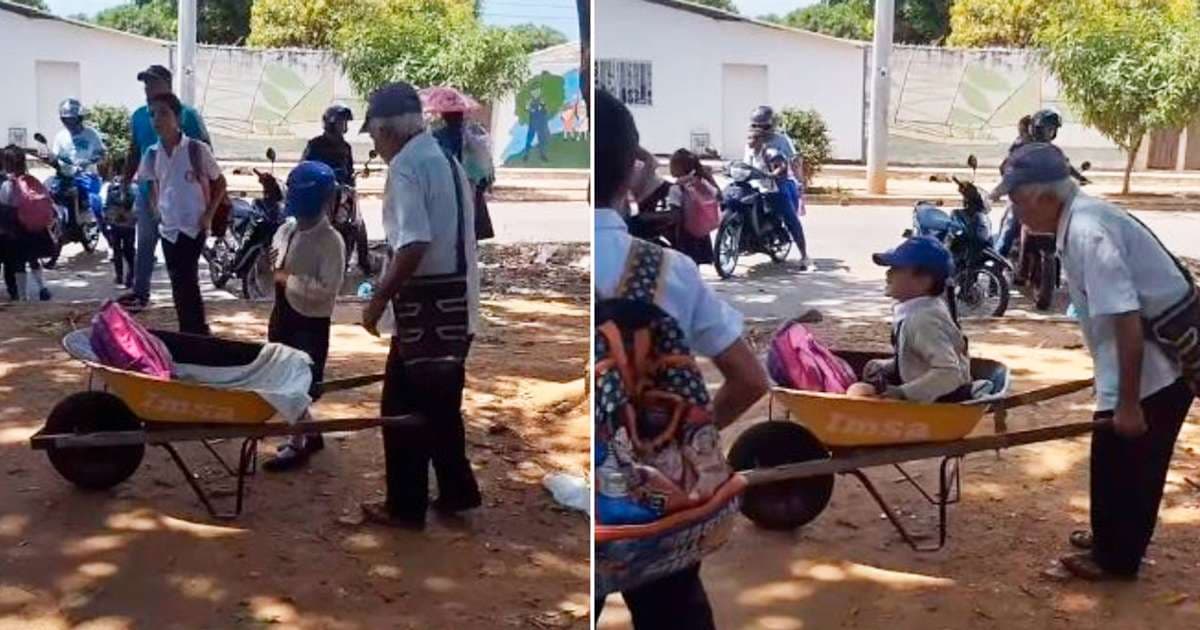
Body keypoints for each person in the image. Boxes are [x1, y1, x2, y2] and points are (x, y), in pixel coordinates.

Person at [594, 88, 769, 630]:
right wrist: (684, 443)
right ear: (629, 172)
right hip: (652, 496)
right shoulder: (666, 271)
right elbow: (749, 379)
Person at [995, 142, 1195, 581]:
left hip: (1156, 371)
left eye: (1016, 199)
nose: (1015, 211)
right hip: (1140, 364)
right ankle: (1110, 538)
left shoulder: (1088, 232)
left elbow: (1125, 322)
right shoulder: (1078, 220)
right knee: (1113, 460)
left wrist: (1127, 403)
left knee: (1131, 464)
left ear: (1045, 197)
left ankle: (1116, 560)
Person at [359, 82, 481, 531]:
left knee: (402, 410)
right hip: (456, 303)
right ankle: (457, 492)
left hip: (426, 308)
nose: (373, 143)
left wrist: (376, 300)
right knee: (441, 406)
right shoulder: (442, 158)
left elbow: (412, 244)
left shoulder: (407, 167)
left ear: (389, 131)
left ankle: (406, 506)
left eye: (373, 134)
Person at [262, 161, 346, 472]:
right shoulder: (287, 230)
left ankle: (298, 443)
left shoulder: (330, 242)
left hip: (309, 322)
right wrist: (277, 271)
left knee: (297, 384)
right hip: (283, 313)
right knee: (281, 375)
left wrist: (288, 279)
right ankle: (309, 433)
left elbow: (327, 290)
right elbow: (275, 261)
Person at [119, 65, 212, 311]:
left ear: (168, 85)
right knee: (146, 242)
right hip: (148, 190)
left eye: (153, 83)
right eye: (146, 84)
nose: (148, 89)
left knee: (183, 252)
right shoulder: (139, 115)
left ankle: (185, 300)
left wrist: (206, 200)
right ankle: (141, 292)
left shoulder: (188, 115)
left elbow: (205, 151)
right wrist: (125, 180)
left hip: (182, 195)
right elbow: (133, 149)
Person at [136, 93, 226, 336]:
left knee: (187, 278)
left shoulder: (196, 150)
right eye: (153, 114)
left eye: (163, 113)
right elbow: (149, 182)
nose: (157, 119)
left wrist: (208, 215)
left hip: (193, 225)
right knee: (178, 281)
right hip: (169, 228)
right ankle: (189, 328)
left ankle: (196, 330)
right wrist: (156, 208)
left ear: (177, 117)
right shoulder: (152, 154)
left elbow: (220, 183)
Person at [850, 236, 973, 403]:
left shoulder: (923, 320)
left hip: (941, 400)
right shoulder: (923, 309)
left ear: (923, 280)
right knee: (863, 389)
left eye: (896, 268)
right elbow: (919, 360)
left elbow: (949, 373)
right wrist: (887, 366)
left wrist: (903, 392)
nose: (888, 273)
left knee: (858, 393)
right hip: (932, 392)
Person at [747, 126, 811, 269]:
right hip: (755, 188)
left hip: (773, 188)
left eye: (754, 138)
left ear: (761, 140)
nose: (750, 141)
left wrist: (774, 173)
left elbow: (782, 164)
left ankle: (804, 255)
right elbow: (744, 166)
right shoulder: (749, 152)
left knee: (791, 219)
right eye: (749, 138)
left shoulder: (770, 151)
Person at [0, 146, 54, 301]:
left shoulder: (8, 185)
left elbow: (6, 209)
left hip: (17, 229)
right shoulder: (32, 180)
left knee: (18, 263)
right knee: (34, 259)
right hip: (35, 227)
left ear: (6, 162)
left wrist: (5, 228)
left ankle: (23, 297)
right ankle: (43, 287)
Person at [663, 148, 717, 265]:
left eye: (672, 164)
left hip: (684, 235)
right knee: (694, 267)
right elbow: (717, 195)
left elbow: (675, 214)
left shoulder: (677, 188)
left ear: (679, 167)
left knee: (685, 266)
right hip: (701, 232)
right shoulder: (700, 181)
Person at [104, 156, 137, 289]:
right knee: (129, 250)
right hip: (129, 222)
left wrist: (109, 218)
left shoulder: (112, 186)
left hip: (115, 222)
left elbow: (107, 205)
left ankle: (119, 277)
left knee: (117, 249)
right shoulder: (133, 185)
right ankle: (130, 276)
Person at [302, 105, 355, 186]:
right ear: (330, 124)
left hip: (341, 192)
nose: (343, 125)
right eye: (340, 122)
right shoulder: (315, 145)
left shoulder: (346, 147)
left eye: (345, 122)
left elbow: (349, 174)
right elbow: (304, 170)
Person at [52, 99, 107, 174]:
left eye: (73, 119)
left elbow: (102, 155)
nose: (69, 123)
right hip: (66, 178)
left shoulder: (91, 134)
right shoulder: (60, 136)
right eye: (66, 120)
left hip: (87, 178)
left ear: (80, 118)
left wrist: (88, 162)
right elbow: (55, 156)